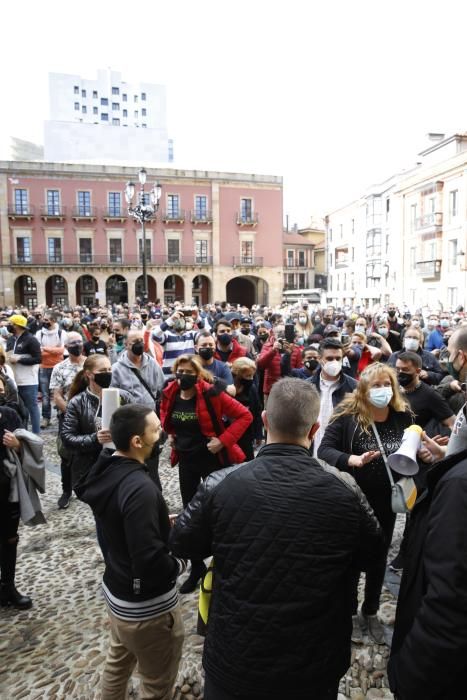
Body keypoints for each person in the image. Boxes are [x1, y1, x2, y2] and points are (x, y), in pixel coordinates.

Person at [169, 378, 383, 700]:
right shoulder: (345, 490)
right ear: (314, 431)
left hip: (237, 654)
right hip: (313, 659)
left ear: (265, 421)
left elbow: (182, 543)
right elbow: (374, 553)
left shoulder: (221, 484)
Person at [75, 405, 185, 700]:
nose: (161, 434)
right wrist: (180, 562)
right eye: (156, 430)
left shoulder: (110, 468)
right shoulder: (140, 488)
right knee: (156, 684)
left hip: (118, 594)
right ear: (137, 441)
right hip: (146, 608)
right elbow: (149, 559)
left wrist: (159, 522)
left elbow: (119, 518)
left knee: (118, 662)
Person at [387, 331, 467, 698]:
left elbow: (448, 593)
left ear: (462, 357)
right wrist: (447, 454)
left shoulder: (458, 489)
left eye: (452, 354)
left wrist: (410, 673)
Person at [318, 363, 413, 644]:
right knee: (349, 558)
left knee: (378, 557)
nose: (382, 389)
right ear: (363, 388)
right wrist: (353, 460)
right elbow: (325, 449)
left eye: (387, 384)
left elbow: (410, 452)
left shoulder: (401, 416)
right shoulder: (347, 415)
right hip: (352, 500)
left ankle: (370, 611)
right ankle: (347, 613)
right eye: (376, 385)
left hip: (386, 502)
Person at [160, 354, 252, 594]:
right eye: (180, 371)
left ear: (198, 375)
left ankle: (225, 563)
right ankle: (197, 566)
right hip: (186, 461)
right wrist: (170, 433)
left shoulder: (211, 393)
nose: (184, 376)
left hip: (213, 461)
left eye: (189, 373)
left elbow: (245, 415)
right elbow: (165, 415)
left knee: (221, 512)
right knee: (190, 514)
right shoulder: (170, 391)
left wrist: (223, 441)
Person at [1, 403, 45, 609]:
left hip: (7, 490)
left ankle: (8, 587)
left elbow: (27, 446)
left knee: (10, 539)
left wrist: (17, 444)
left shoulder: (9, 414)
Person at [110, 329, 165, 489]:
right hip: (130, 425)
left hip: (151, 423)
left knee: (152, 463)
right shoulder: (117, 369)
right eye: (135, 342)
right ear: (126, 345)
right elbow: (112, 396)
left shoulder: (152, 364)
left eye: (141, 340)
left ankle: (155, 493)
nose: (139, 344)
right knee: (134, 461)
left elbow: (161, 391)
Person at [50, 332, 86, 509]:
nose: (77, 345)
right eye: (73, 342)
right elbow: (57, 396)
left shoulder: (90, 363)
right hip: (68, 416)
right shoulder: (59, 368)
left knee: (91, 450)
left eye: (79, 341)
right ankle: (66, 490)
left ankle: (89, 484)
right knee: (66, 454)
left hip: (90, 415)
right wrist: (72, 412)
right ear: (66, 346)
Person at [308, 338, 358, 457]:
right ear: (320, 359)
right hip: (311, 453)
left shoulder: (354, 387)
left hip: (340, 455)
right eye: (329, 358)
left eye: (338, 358)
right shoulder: (306, 387)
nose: (334, 362)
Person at [6, 314, 42, 435]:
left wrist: (20, 359)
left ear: (17, 325)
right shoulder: (11, 339)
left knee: (32, 407)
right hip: (14, 380)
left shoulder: (31, 339)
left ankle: (36, 434)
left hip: (28, 380)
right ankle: (23, 432)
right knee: (20, 409)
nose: (8, 326)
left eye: (10, 323)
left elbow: (38, 359)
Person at [257, 322, 302, 406]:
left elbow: (299, 371)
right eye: (279, 332)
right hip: (271, 390)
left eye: (284, 332)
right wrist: (273, 350)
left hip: (290, 391)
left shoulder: (295, 349)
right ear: (273, 334)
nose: (282, 334)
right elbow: (261, 365)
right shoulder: (268, 346)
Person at [36, 312, 67, 428]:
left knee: (59, 393)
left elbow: (62, 350)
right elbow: (38, 351)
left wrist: (45, 349)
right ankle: (46, 417)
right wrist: (53, 350)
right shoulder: (39, 333)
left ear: (53, 320)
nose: (44, 322)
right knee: (45, 395)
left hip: (58, 367)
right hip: (44, 367)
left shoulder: (61, 333)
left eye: (46, 320)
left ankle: (61, 415)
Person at [231, 357, 263, 459]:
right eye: (247, 376)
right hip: (230, 432)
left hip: (247, 433)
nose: (251, 379)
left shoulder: (251, 388)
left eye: (252, 376)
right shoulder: (228, 389)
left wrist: (258, 434)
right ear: (237, 375)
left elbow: (257, 411)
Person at [195, 331, 235, 395]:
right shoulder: (191, 366)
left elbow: (232, 392)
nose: (208, 347)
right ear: (196, 348)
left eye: (211, 345)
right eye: (204, 345)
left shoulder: (223, 367)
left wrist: (214, 380)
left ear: (215, 347)